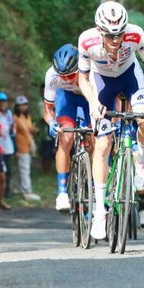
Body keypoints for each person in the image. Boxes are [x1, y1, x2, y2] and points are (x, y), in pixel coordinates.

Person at [78, 1, 144, 240]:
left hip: (130, 76)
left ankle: (140, 157)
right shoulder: (87, 41)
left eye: (119, 34)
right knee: (103, 144)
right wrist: (93, 103)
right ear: (100, 32)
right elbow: (83, 80)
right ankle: (99, 211)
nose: (115, 40)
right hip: (102, 82)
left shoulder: (136, 34)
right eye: (110, 35)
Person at [43, 43, 91, 212]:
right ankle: (62, 192)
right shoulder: (52, 75)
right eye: (62, 76)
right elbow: (47, 109)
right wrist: (51, 122)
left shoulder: (92, 70)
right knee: (66, 137)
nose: (66, 80)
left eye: (70, 75)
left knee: (95, 137)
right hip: (67, 100)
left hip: (89, 100)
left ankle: (93, 181)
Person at [13, 95, 41, 201]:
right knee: (24, 170)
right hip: (20, 147)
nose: (23, 107)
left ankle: (17, 188)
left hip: (28, 145)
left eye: (25, 104)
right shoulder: (14, 118)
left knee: (21, 169)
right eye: (20, 105)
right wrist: (15, 149)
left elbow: (29, 129)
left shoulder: (26, 116)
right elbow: (13, 134)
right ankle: (27, 191)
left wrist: (34, 129)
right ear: (17, 106)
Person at [0, 92, 15, 199]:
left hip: (8, 146)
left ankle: (6, 190)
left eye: (4, 102)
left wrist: (13, 129)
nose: (3, 104)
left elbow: (12, 129)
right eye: (0, 102)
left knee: (8, 170)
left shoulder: (9, 114)